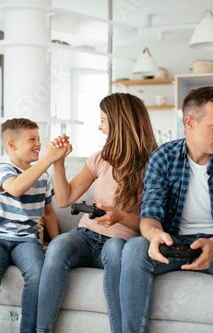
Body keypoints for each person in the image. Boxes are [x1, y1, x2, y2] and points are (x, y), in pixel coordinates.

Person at [119, 86, 213, 333]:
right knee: (134, 248)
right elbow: (149, 215)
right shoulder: (163, 157)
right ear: (190, 122)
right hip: (174, 241)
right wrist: (155, 235)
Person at [36, 93, 158, 333]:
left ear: (119, 122)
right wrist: (58, 162)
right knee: (59, 244)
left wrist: (120, 217)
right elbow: (64, 199)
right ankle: (41, 331)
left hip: (120, 240)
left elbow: (156, 222)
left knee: (114, 250)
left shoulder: (154, 164)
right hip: (86, 235)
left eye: (103, 120)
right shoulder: (100, 159)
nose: (99, 126)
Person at [0, 118, 62, 333]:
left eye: (39, 139)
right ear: (12, 145)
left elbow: (49, 213)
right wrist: (47, 160)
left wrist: (57, 243)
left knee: (39, 276)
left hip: (27, 239)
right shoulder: (3, 168)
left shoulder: (44, 176)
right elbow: (15, 188)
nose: (39, 144)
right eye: (32, 139)